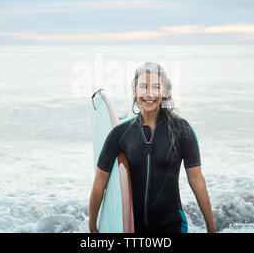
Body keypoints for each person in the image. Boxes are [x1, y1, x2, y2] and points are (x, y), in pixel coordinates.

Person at [89, 62, 215, 233]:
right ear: (134, 89)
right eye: (143, 87)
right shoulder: (120, 134)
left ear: (164, 91)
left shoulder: (182, 130)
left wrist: (211, 228)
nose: (149, 94)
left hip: (172, 224)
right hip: (133, 227)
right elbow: (100, 181)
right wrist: (92, 226)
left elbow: (197, 181)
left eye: (156, 87)